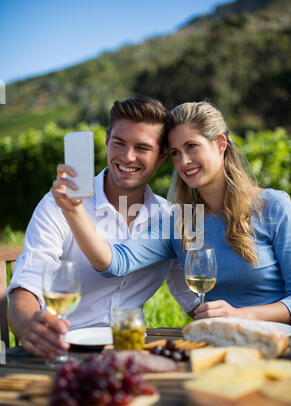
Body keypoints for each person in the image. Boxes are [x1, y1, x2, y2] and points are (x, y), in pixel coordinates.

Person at [52, 101, 291, 327]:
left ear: (220, 144)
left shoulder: (273, 206)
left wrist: (243, 314)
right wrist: (73, 210)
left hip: (280, 343)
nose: (184, 161)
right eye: (175, 153)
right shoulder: (182, 222)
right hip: (221, 343)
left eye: (191, 147)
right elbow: (114, 264)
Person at [7, 96, 199, 360]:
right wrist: (31, 325)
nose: (127, 156)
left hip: (130, 351)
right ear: (108, 140)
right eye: (119, 143)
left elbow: (196, 299)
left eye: (142, 148)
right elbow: (25, 288)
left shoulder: (169, 218)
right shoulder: (60, 203)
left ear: (162, 155)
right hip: (61, 351)